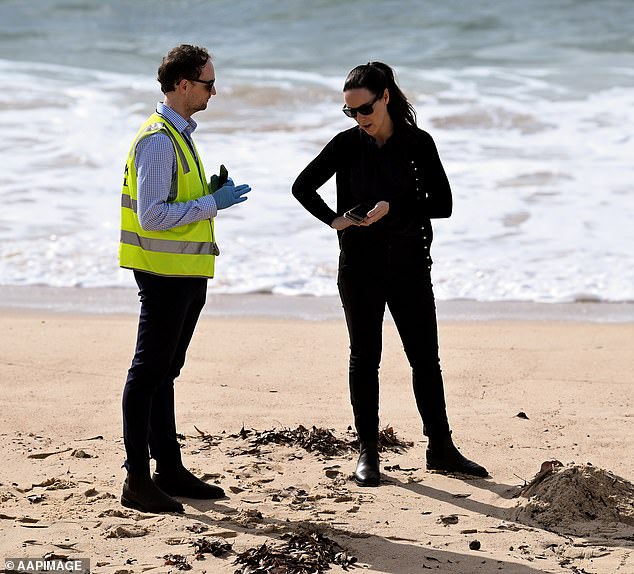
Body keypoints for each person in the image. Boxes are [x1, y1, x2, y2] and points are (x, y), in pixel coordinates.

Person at [292, 62, 487, 486]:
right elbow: (302, 186)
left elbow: (444, 203)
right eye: (350, 112)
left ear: (384, 97)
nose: (359, 119)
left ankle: (441, 448)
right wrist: (335, 219)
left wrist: (392, 208)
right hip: (359, 268)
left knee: (425, 360)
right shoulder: (346, 145)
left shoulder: (418, 143)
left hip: (409, 265)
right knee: (365, 359)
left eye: (364, 109)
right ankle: (368, 453)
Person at [119, 44, 251, 512]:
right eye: (208, 83)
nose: (215, 90)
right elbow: (153, 216)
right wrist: (215, 204)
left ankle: (168, 468)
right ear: (182, 85)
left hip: (185, 270)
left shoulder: (179, 134)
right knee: (147, 373)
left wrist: (208, 195)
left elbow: (171, 202)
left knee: (164, 373)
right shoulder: (158, 140)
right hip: (163, 273)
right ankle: (137, 479)